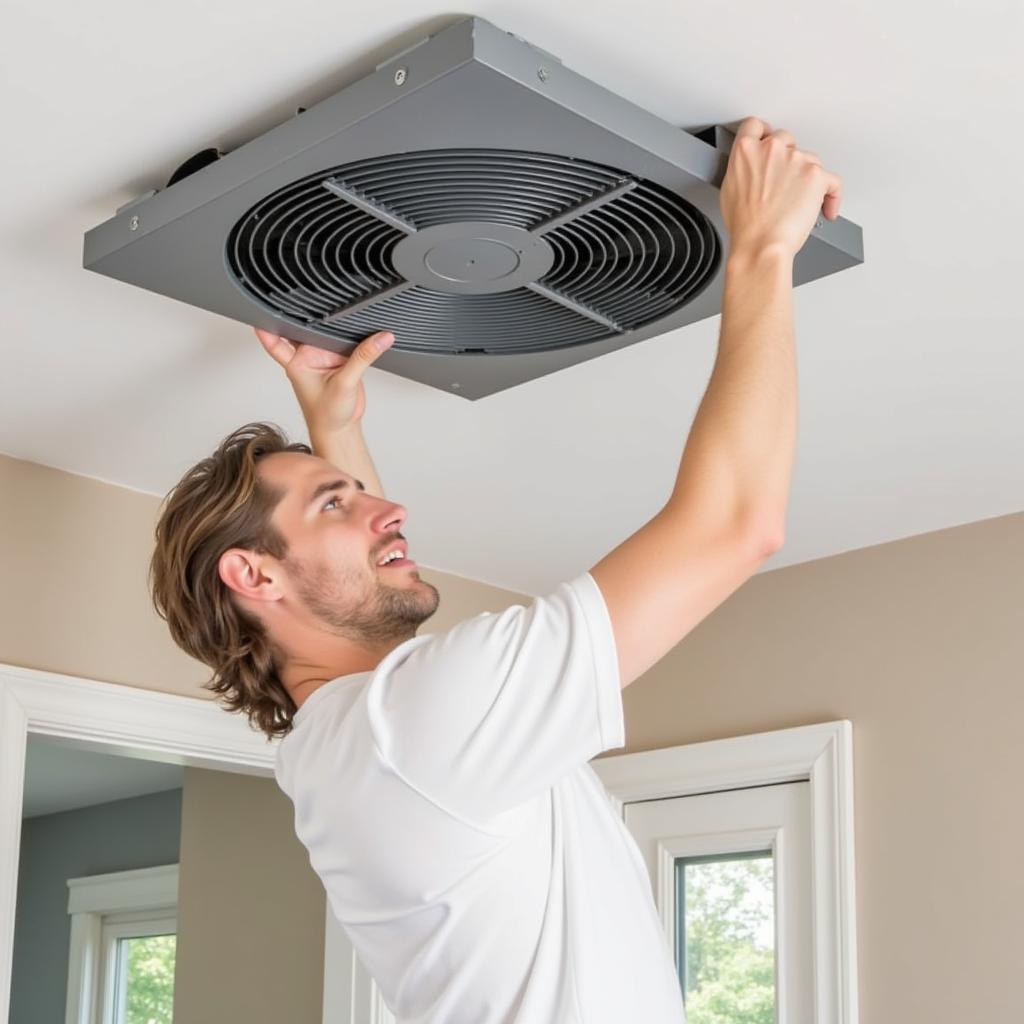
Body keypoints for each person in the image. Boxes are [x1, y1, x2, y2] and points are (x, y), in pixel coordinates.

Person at [149, 115, 842, 1023]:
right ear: (255, 577)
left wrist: (338, 440)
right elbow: (736, 526)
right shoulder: (399, 734)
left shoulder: (344, 747)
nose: (386, 511)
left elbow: (387, 658)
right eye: (335, 504)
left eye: (353, 493)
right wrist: (758, 250)